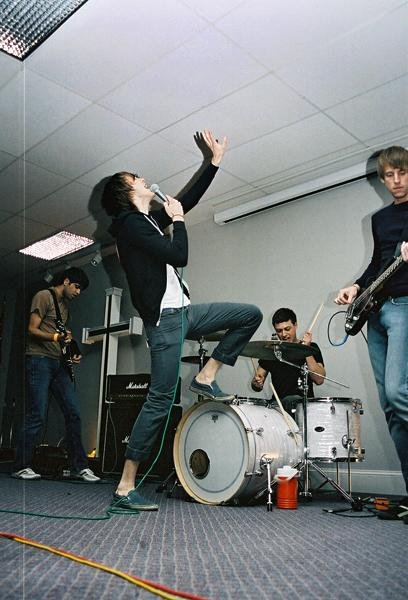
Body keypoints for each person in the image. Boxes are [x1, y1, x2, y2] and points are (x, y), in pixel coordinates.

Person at [101, 129, 262, 511]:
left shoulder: (147, 220)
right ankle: (125, 485)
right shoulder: (130, 224)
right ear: (125, 192)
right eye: (135, 178)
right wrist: (180, 222)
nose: (143, 178)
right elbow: (179, 255)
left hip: (183, 313)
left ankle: (205, 376)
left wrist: (214, 163)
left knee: (249, 315)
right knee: (159, 400)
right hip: (166, 323)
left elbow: (185, 200)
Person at [335, 145, 408, 518]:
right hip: (376, 312)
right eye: (388, 176)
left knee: (398, 392)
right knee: (390, 407)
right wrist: (355, 286)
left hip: (405, 307)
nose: (396, 181)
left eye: (402, 173)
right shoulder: (380, 219)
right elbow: (377, 264)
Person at [12, 267, 100, 482]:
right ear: (66, 281)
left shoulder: (64, 307)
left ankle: (80, 467)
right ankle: (21, 466)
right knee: (37, 414)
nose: (78, 292)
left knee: (73, 412)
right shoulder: (43, 296)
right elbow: (32, 329)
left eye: (81, 289)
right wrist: (55, 337)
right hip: (39, 360)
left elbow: (63, 335)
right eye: (77, 287)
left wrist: (71, 351)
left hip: (58, 364)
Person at [251, 307, 325, 411]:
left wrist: (305, 350)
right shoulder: (272, 351)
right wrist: (256, 383)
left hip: (303, 408)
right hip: (279, 408)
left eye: (287, 329)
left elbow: (319, 380)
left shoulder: (312, 347)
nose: (283, 334)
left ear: (295, 325)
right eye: (279, 331)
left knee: (292, 399)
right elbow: (257, 382)